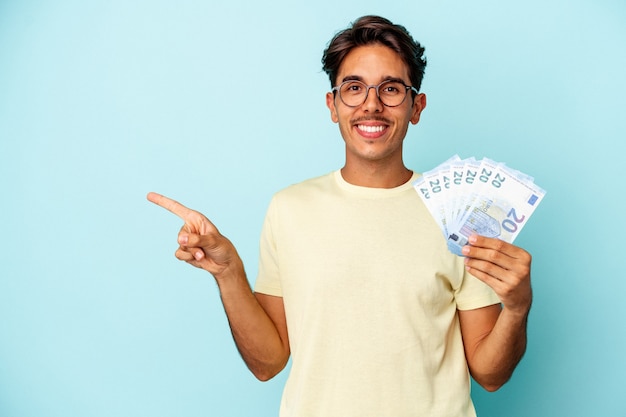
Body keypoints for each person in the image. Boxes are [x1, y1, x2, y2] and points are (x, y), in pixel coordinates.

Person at [147, 15, 532, 417]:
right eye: (354, 88)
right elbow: (267, 363)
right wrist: (228, 273)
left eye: (391, 89)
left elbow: (490, 374)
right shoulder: (289, 209)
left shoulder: (458, 213)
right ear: (333, 105)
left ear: (416, 106)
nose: (371, 104)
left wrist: (518, 308)